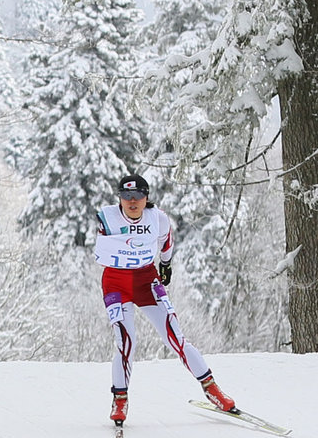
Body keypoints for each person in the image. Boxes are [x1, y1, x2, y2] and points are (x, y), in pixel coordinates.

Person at [93, 173, 236, 424]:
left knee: (174, 335)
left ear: (146, 197)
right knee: (126, 340)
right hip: (117, 281)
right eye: (126, 197)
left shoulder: (158, 218)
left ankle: (212, 389)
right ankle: (120, 399)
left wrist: (166, 265)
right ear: (120, 199)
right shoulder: (108, 217)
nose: (132, 201)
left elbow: (166, 242)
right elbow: (103, 249)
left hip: (146, 280)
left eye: (137, 196)